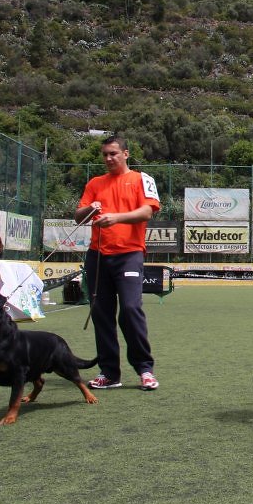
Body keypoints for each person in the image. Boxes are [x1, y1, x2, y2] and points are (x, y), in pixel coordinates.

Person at [75, 135, 161, 391]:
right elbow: (79, 217)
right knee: (101, 313)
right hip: (97, 256)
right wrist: (90, 209)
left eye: (113, 153)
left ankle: (145, 369)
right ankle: (109, 373)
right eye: (105, 155)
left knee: (131, 309)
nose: (109, 159)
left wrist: (117, 218)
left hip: (129, 254)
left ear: (126, 153)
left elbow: (147, 211)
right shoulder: (95, 183)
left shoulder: (141, 179)